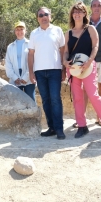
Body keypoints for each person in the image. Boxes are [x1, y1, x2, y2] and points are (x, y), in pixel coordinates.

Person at [63, 1, 101, 139]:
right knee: (77, 98)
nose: (77, 14)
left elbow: (95, 47)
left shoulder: (90, 29)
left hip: (89, 66)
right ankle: (82, 126)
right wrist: (65, 61)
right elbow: (66, 51)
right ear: (72, 14)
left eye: (80, 11)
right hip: (73, 69)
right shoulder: (68, 33)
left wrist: (89, 61)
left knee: (93, 95)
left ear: (85, 13)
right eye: (74, 11)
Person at [73, 0, 101, 128]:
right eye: (94, 5)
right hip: (86, 62)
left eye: (99, 5)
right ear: (90, 8)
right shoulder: (83, 23)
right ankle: (81, 119)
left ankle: (100, 118)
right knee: (84, 90)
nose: (96, 7)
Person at [28, 7, 66, 140]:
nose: (43, 17)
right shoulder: (34, 33)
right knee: (46, 100)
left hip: (55, 70)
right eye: (40, 15)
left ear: (50, 16)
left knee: (55, 99)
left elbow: (62, 50)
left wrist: (63, 69)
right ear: (37, 18)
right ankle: (51, 128)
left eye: (46, 14)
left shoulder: (57, 30)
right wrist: (31, 72)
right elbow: (31, 54)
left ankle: (59, 129)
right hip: (39, 72)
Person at [5, 21, 36, 102]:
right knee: (14, 103)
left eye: (21, 29)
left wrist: (27, 76)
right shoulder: (10, 47)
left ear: (25, 31)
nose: (19, 32)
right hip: (15, 80)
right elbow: (8, 63)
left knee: (31, 102)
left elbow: (34, 61)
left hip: (28, 80)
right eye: (17, 29)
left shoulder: (31, 44)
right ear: (15, 31)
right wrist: (15, 77)